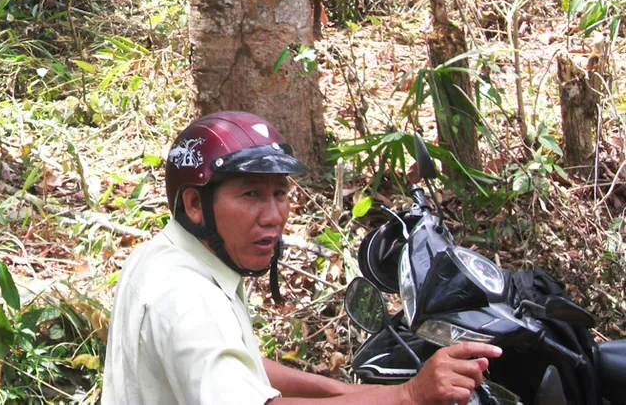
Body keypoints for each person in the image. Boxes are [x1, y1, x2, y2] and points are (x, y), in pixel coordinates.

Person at [101, 111, 502, 405]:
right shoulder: (186, 299)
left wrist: (346, 392)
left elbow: (240, 367)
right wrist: (409, 395)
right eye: (251, 194)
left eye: (280, 193)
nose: (274, 216)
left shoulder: (165, 255)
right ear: (194, 205)